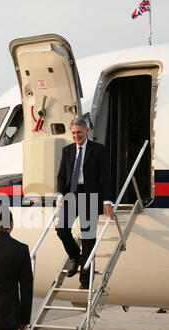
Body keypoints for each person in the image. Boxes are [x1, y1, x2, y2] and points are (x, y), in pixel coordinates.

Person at [56, 117, 114, 289]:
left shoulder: (98, 149)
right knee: (61, 229)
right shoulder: (67, 150)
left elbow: (106, 176)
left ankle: (85, 281)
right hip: (72, 195)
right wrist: (60, 193)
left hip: (91, 196)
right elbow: (61, 175)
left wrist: (107, 200)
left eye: (79, 132)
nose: (76, 136)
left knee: (88, 238)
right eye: (73, 133)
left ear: (87, 131)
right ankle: (76, 256)